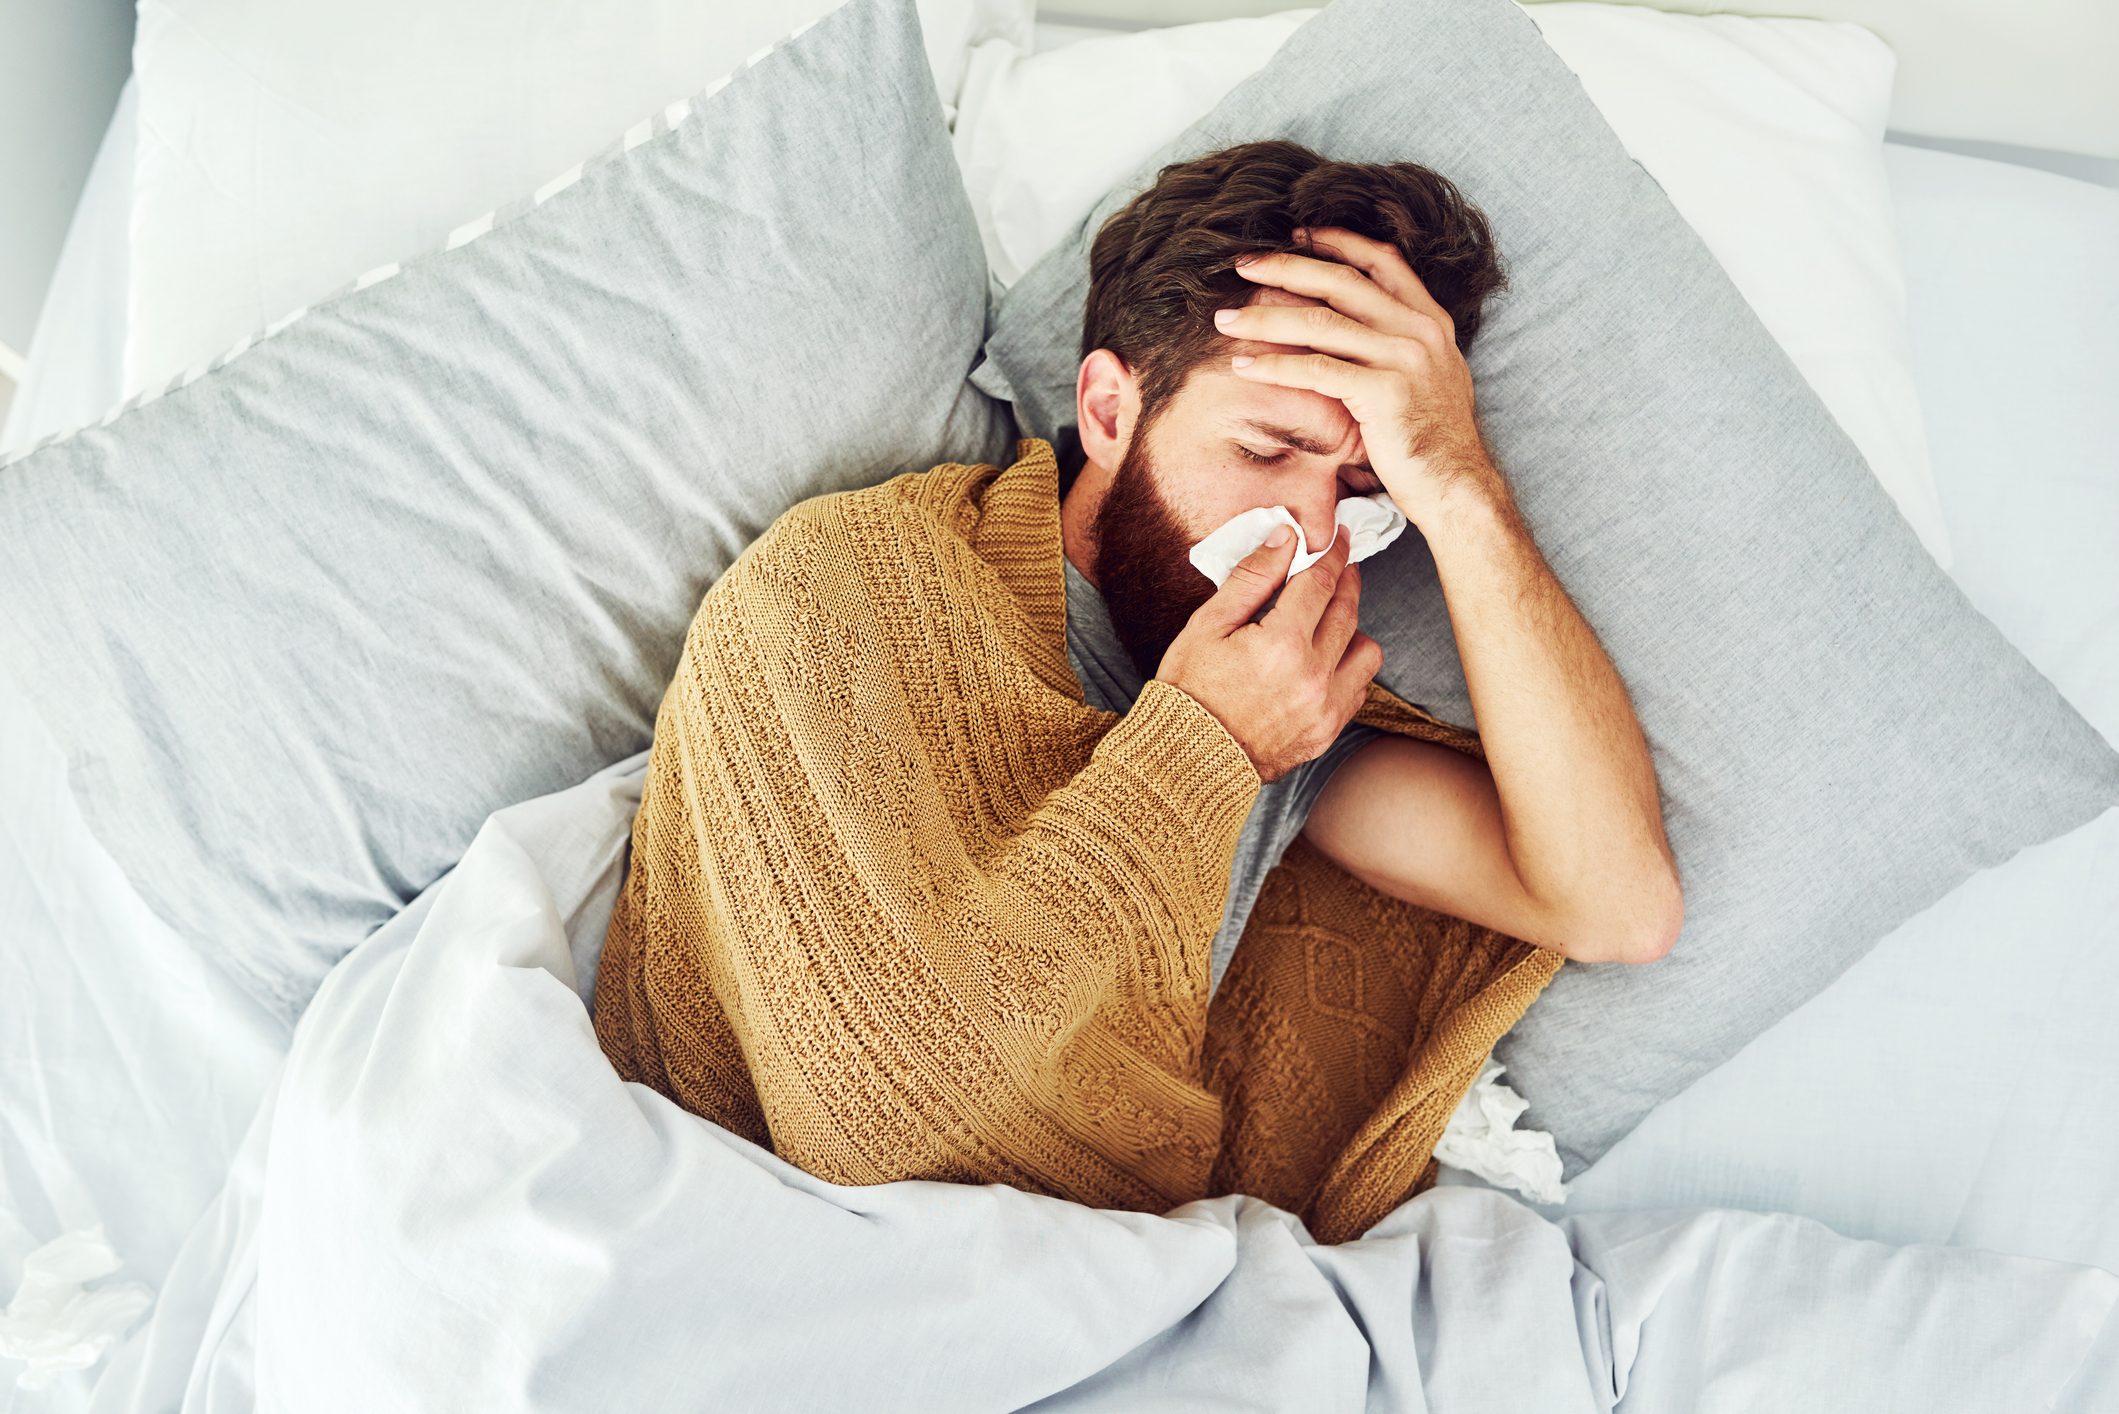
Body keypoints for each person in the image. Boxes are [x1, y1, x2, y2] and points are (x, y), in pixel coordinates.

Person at [590, 139, 1682, 1235]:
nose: (1309, 537)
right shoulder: (845, 580)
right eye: (1265, 451)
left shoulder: (1293, 709)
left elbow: (1614, 904)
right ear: (1110, 413)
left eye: (1362, 494)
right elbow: (880, 1115)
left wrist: (1458, 488)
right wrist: (1205, 746)